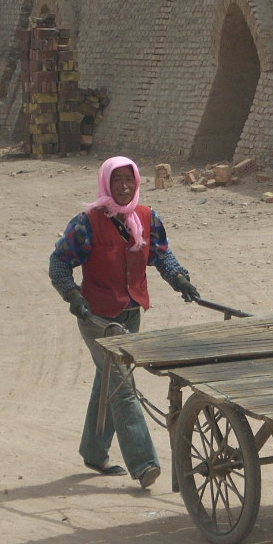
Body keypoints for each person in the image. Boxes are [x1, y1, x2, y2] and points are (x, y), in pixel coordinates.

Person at [49, 156, 200, 488]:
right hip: (97, 317)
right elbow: (59, 262)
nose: (124, 186)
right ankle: (144, 463)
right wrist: (72, 295)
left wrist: (180, 279)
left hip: (130, 314)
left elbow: (161, 254)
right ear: (106, 183)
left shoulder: (146, 217)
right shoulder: (86, 223)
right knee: (122, 386)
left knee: (109, 378)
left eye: (129, 179)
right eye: (116, 180)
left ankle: (94, 451)